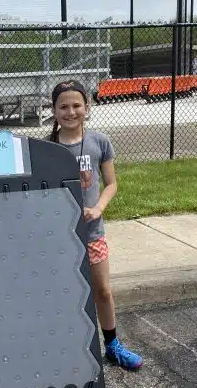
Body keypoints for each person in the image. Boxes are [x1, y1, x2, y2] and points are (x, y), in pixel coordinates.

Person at [49, 80, 143, 370]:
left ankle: (112, 345)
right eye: (63, 106)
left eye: (76, 105)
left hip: (92, 234)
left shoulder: (99, 141)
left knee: (102, 291)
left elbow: (111, 184)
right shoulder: (47, 148)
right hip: (60, 238)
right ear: (54, 110)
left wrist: (98, 208)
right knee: (66, 293)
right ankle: (67, 348)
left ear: (87, 107)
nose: (70, 112)